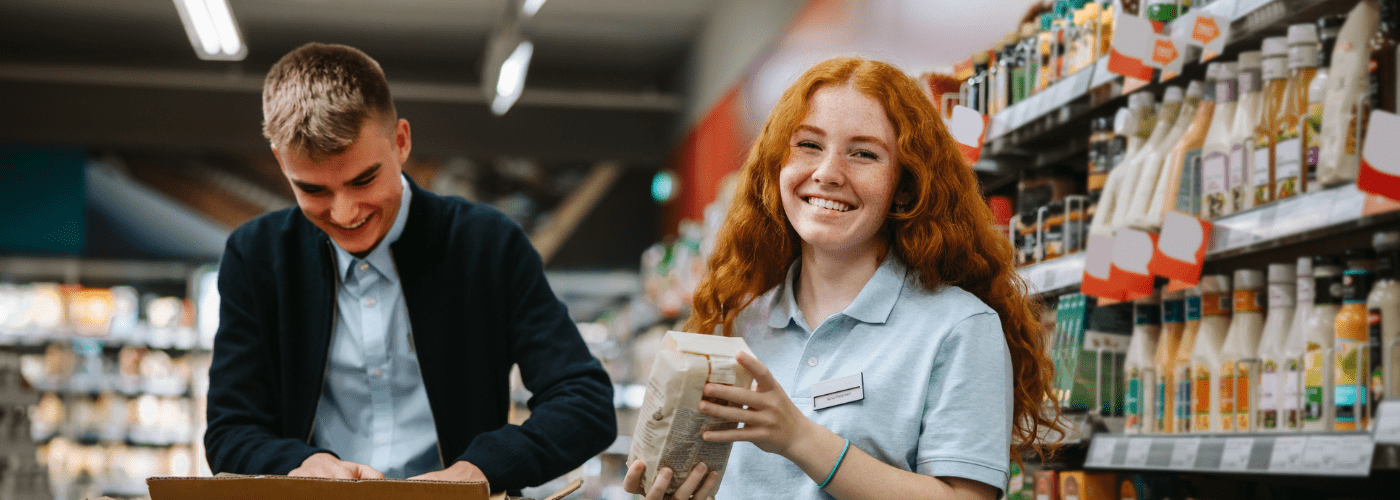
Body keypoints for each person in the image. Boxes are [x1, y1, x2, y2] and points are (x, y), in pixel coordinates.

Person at [624, 57, 1061, 500]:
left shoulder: (958, 327)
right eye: (809, 145)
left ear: (905, 184)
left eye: (864, 154)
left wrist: (800, 439)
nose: (829, 173)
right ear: (776, 165)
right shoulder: (736, 322)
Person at [204, 42, 616, 495]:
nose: (344, 214)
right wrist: (300, 465)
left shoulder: (487, 243)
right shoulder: (255, 256)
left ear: (401, 142)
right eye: (314, 190)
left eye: (364, 179)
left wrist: (479, 470)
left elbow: (585, 403)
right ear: (282, 163)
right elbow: (230, 431)